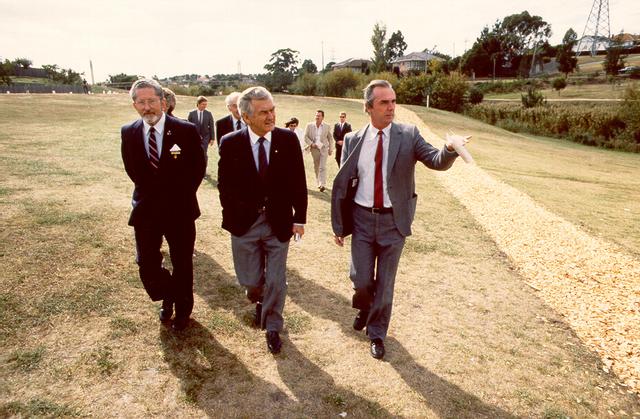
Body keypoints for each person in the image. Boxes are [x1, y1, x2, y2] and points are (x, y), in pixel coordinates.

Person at [331, 79, 468, 359]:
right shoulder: (354, 140)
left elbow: (435, 160)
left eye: (393, 101)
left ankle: (377, 333)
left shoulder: (408, 135)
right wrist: (339, 225)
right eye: (384, 102)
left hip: (394, 221)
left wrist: (451, 148)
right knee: (360, 278)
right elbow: (345, 185)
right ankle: (365, 306)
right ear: (368, 107)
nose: (391, 107)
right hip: (361, 219)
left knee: (385, 282)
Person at [218, 86, 307, 354]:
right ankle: (258, 298)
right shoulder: (230, 142)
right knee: (251, 281)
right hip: (244, 223)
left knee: (277, 280)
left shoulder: (288, 140)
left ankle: (272, 326)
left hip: (278, 223)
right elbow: (225, 186)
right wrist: (233, 213)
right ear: (246, 117)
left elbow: (298, 183)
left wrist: (299, 218)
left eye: (272, 110)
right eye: (263, 112)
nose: (271, 117)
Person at [121, 79, 206, 331]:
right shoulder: (129, 131)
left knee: (182, 263)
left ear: (163, 102)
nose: (147, 107)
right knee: (146, 264)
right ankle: (168, 294)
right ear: (134, 104)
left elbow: (197, 169)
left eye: (152, 101)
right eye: (141, 102)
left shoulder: (186, 130)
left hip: (179, 210)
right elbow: (132, 169)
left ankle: (182, 311)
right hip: (146, 210)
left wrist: (177, 197)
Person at [304, 110, 333, 192]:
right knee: (317, 166)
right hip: (314, 148)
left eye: (319, 116)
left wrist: (331, 148)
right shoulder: (309, 125)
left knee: (322, 166)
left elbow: (330, 138)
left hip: (324, 148)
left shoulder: (327, 126)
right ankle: (318, 182)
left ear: (322, 117)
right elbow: (305, 137)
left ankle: (322, 184)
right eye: (316, 115)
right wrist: (311, 144)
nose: (317, 117)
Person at [187, 96, 214, 165]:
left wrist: (212, 138)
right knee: (195, 153)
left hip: (206, 137)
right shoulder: (191, 113)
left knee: (204, 152)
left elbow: (211, 126)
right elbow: (188, 126)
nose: (205, 106)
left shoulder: (208, 113)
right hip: (194, 137)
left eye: (206, 104)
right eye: (203, 104)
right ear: (198, 104)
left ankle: (203, 170)